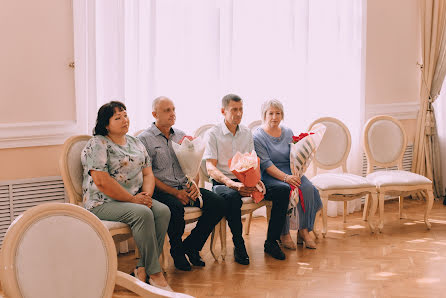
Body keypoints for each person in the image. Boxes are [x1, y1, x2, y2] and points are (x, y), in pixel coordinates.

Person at [81, 101, 171, 290]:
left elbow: (148, 173)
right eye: (118, 117)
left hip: (134, 199)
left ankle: (142, 268)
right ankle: (155, 274)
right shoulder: (98, 143)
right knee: (143, 213)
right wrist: (134, 200)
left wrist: (146, 195)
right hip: (102, 202)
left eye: (125, 115)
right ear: (106, 124)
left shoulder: (135, 142)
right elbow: (101, 181)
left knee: (162, 211)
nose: (124, 120)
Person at [138, 96, 225, 271]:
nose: (172, 114)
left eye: (173, 109)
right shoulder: (144, 139)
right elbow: (146, 175)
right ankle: (177, 251)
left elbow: (192, 165)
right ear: (155, 114)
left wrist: (194, 184)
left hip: (185, 187)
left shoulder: (181, 135)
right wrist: (173, 192)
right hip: (161, 190)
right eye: (167, 110)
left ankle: (191, 246)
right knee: (175, 208)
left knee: (218, 203)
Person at [204, 94, 289, 263]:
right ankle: (239, 244)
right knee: (232, 197)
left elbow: (252, 160)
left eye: (241, 109)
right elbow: (210, 168)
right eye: (234, 110)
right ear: (223, 111)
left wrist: (255, 181)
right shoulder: (213, 134)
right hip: (223, 182)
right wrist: (231, 184)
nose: (238, 113)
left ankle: (271, 242)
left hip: (246, 179)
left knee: (283, 190)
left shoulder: (246, 133)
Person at [253, 99, 322, 249]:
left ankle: (304, 231)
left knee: (308, 188)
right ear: (264, 115)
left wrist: (297, 171)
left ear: (282, 115)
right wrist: (286, 178)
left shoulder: (288, 132)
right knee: (286, 191)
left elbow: (294, 155)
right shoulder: (257, 136)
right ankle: (284, 233)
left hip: (291, 169)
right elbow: (265, 163)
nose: (274, 117)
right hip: (271, 174)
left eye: (278, 113)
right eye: (270, 113)